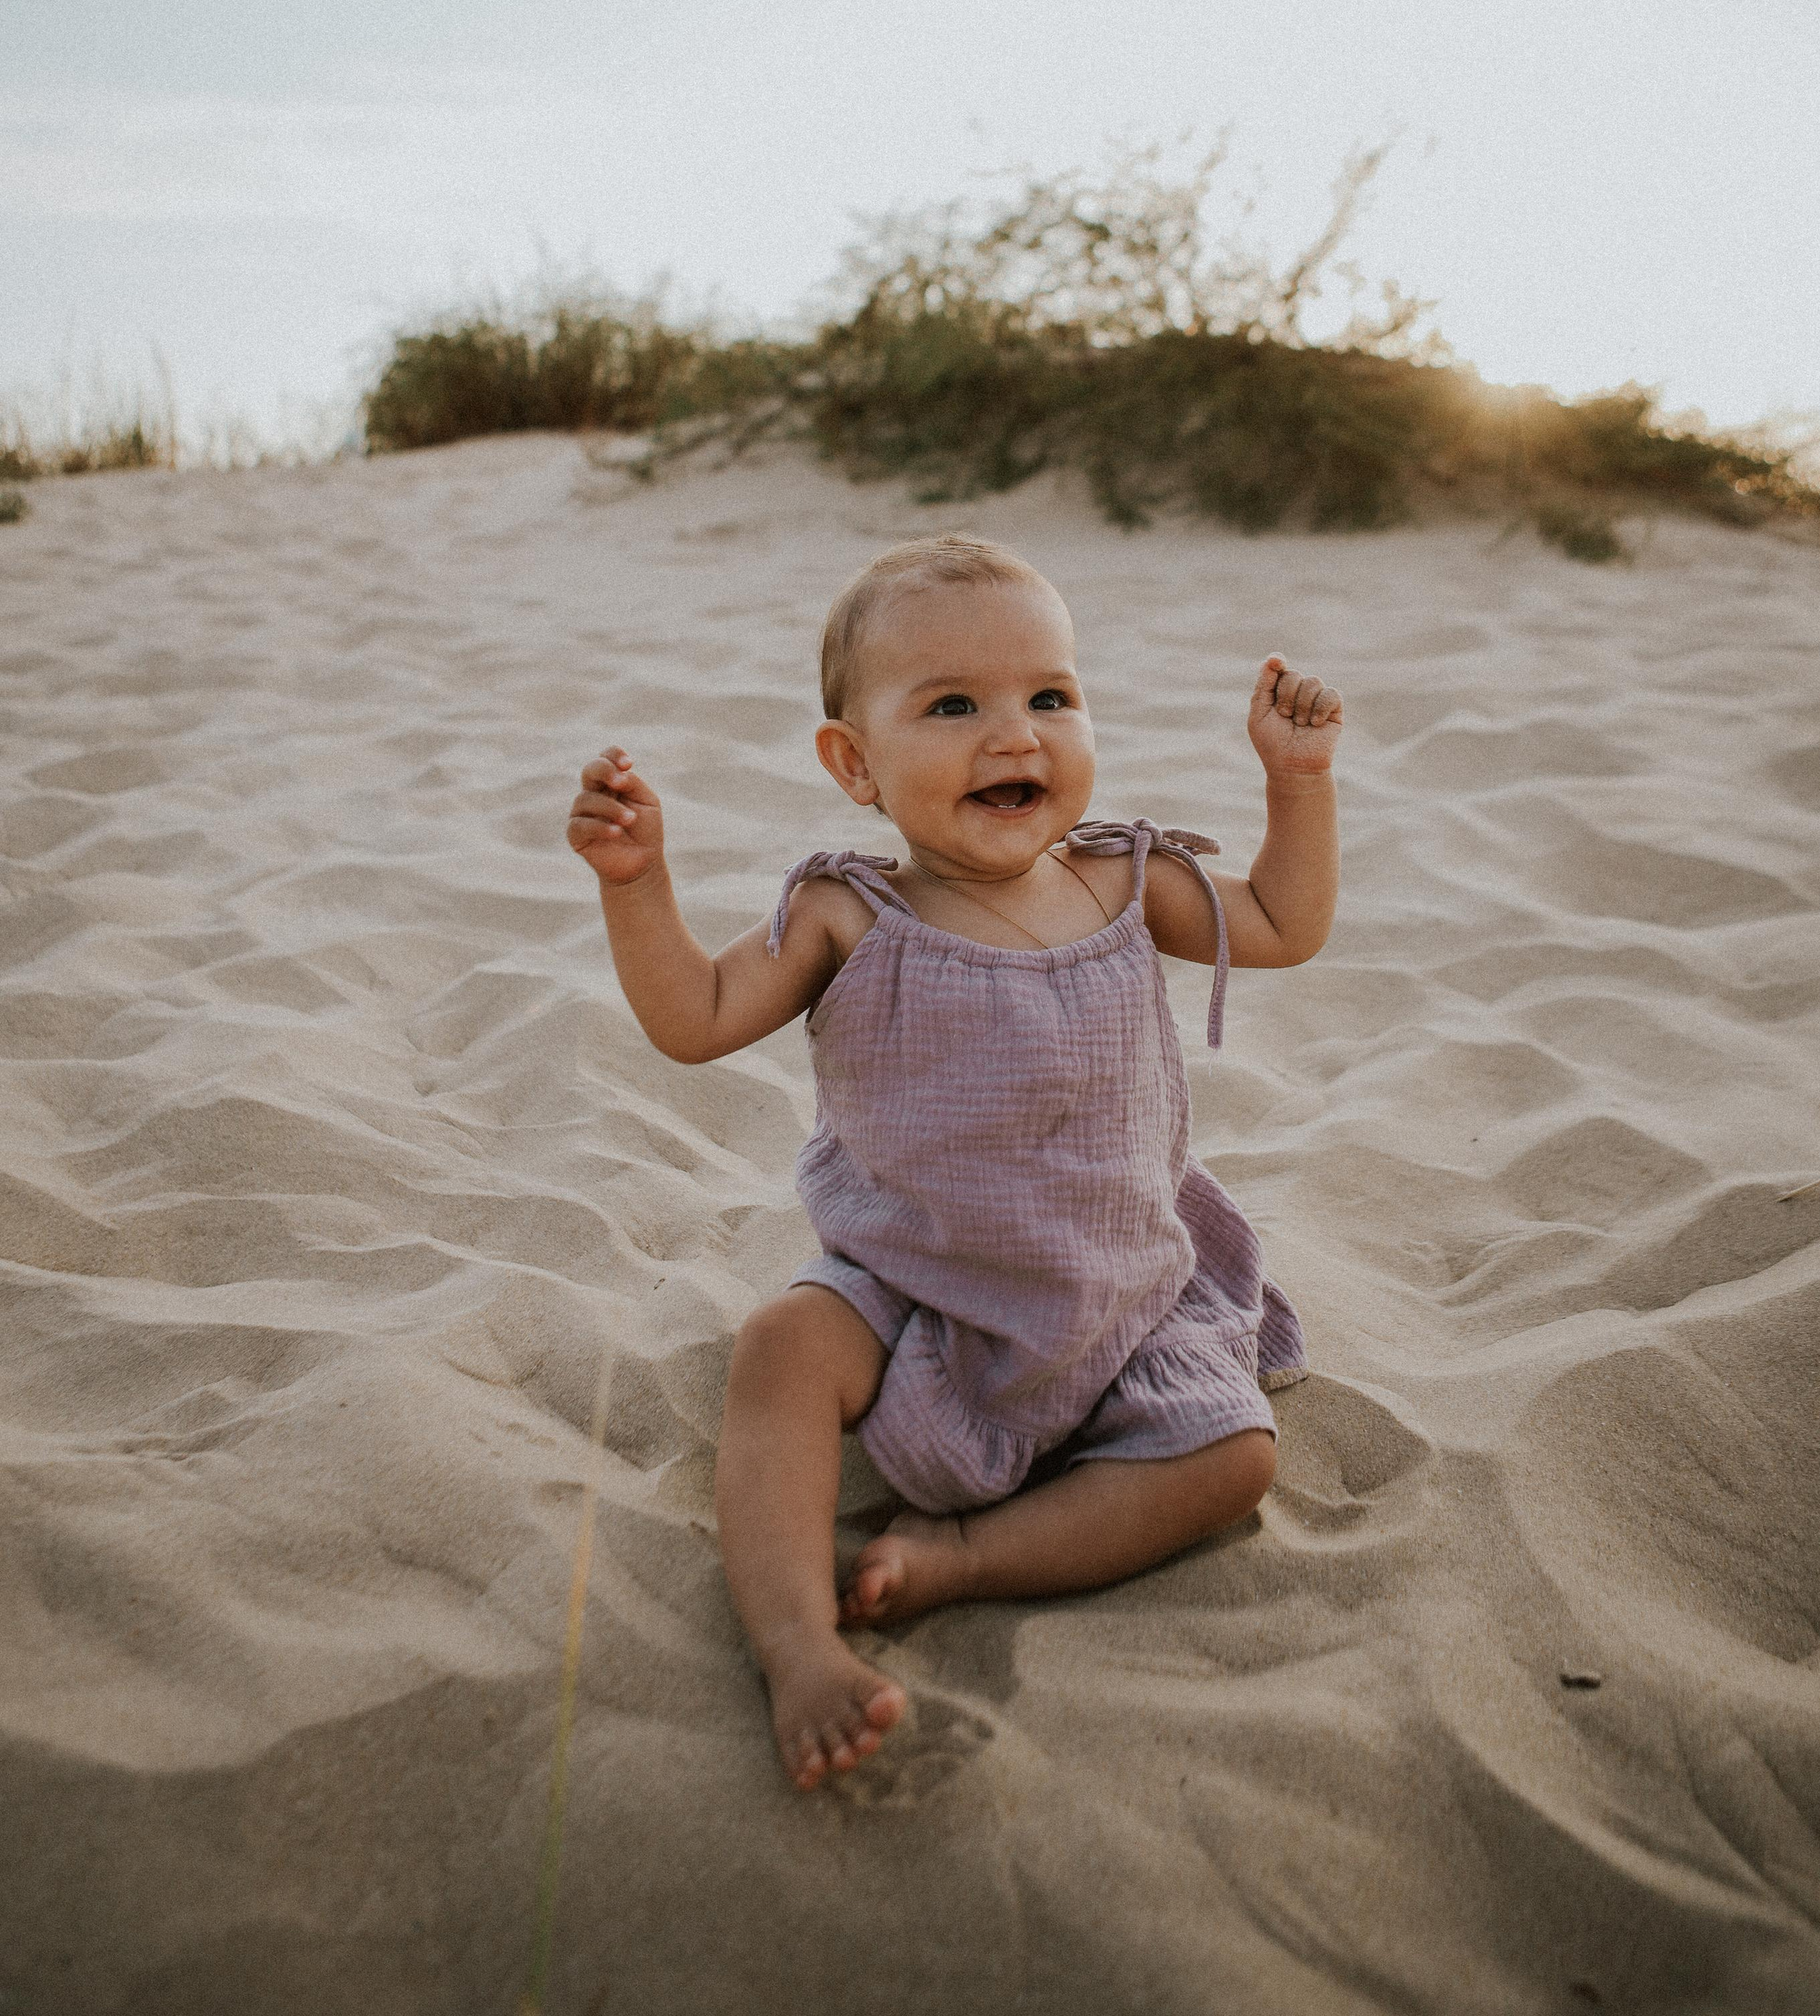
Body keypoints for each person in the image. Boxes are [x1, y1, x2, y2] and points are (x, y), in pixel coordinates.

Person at [567, 534, 1341, 1789]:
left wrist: (1297, 785)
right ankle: (799, 1643)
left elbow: (1286, 926)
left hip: (1122, 1291)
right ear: (853, 765)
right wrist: (636, 885)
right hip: (911, 1292)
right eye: (953, 706)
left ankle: (969, 1559)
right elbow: (694, 1018)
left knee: (1238, 1456)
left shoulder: (1126, 881)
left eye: (1051, 697)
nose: (1016, 735)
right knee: (780, 1347)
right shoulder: (846, 915)